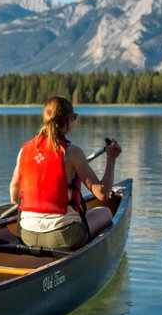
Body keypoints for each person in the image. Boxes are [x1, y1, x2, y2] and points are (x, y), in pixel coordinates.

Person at [9, 96, 122, 250]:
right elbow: (102, 193)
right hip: (63, 237)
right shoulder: (72, 152)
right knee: (106, 212)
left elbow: (14, 192)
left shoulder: (24, 150)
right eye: (74, 118)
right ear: (68, 121)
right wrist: (111, 159)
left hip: (26, 236)